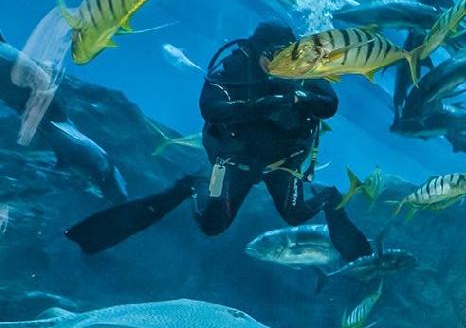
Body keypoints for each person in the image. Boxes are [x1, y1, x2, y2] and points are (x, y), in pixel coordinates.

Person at [64, 21, 370, 261]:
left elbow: (329, 105)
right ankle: (191, 185)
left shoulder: (303, 69)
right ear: (256, 51)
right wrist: (262, 105)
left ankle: (329, 198)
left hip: (283, 163)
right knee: (213, 224)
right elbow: (211, 108)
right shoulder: (233, 68)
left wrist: (297, 96)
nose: (282, 64)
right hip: (234, 160)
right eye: (273, 56)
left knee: (295, 215)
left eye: (286, 55)